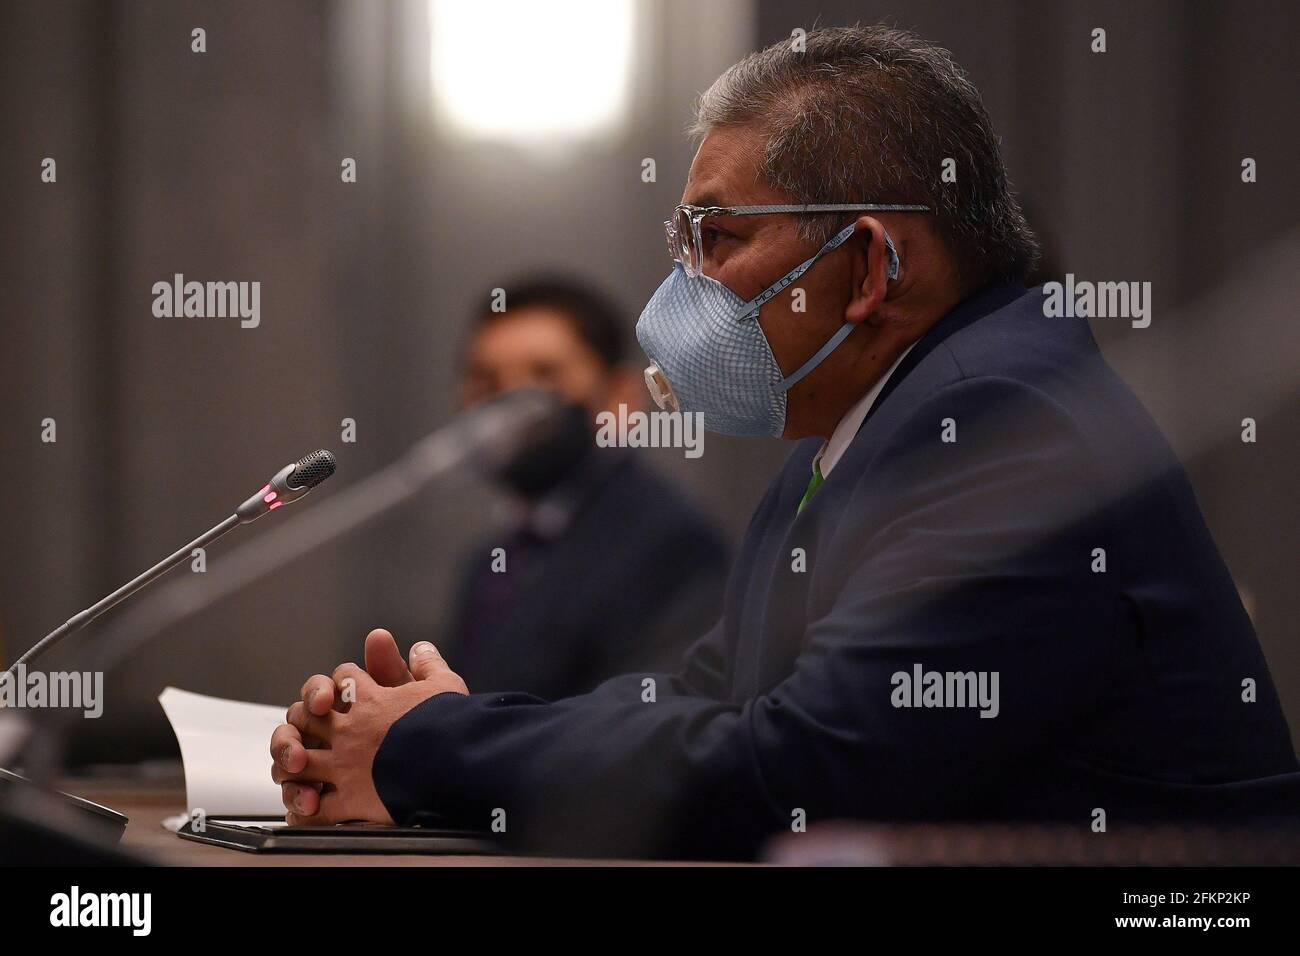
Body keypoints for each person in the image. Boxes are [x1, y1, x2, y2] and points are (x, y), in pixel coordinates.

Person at [270, 26, 1299, 859]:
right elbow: (705, 693)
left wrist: (433, 748)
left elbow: (805, 771)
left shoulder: (999, 425)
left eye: (716, 239)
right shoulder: (861, 430)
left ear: (867, 267)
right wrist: (448, 725)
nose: (682, 286)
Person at [446, 276, 727, 699]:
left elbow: (645, 727)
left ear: (621, 397)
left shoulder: (671, 544)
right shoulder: (489, 562)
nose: (511, 407)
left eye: (544, 376)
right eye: (487, 381)